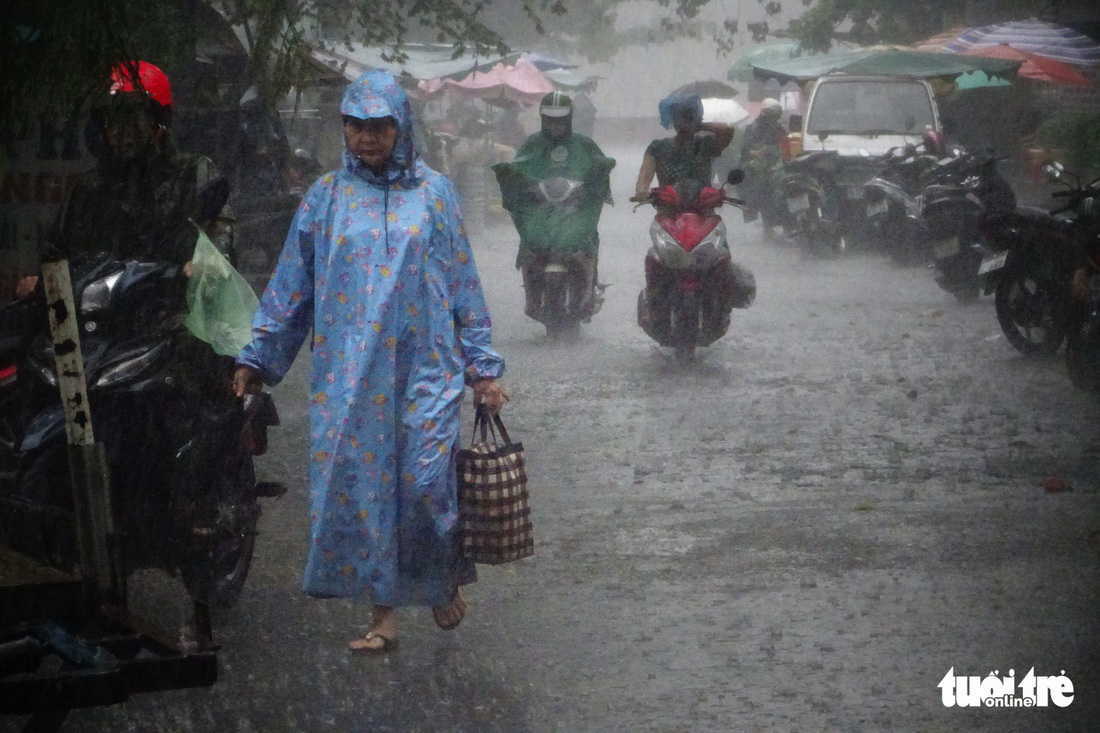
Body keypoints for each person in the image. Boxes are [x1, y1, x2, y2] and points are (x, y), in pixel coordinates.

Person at [231, 69, 509, 655]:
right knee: (365, 491)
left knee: (428, 484)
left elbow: (463, 281)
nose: (366, 138)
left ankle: (439, 579)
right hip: (350, 376)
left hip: (426, 370)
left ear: (400, 127)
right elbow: (292, 288)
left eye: (379, 127)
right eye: (355, 126)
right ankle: (382, 614)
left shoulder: (435, 194)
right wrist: (258, 357)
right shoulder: (325, 199)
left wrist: (483, 368)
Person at [15, 61, 232, 298]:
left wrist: (209, 261)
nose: (118, 131)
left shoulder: (192, 174)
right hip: (100, 322)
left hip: (173, 314)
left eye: (131, 119)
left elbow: (220, 228)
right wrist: (42, 289)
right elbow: (57, 255)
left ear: (156, 123)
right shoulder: (90, 189)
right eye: (110, 121)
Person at [493, 90, 615, 325]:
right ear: (542, 117)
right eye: (550, 118)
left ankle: (588, 289)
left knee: (587, 243)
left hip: (575, 214)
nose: (555, 124)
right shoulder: (532, 144)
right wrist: (523, 184)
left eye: (560, 118)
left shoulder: (584, 144)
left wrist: (588, 186)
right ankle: (532, 292)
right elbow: (520, 169)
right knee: (530, 247)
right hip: (542, 214)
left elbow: (597, 171)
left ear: (569, 118)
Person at [632, 93, 735, 201]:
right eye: (678, 118)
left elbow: (728, 131)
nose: (683, 124)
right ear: (672, 120)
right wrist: (642, 190)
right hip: (667, 210)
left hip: (703, 210)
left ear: (697, 120)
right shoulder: (657, 148)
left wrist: (701, 125)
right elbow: (644, 175)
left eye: (689, 118)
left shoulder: (706, 145)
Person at [739, 97, 788, 242]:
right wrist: (756, 153)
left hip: (778, 168)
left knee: (783, 194)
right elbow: (745, 150)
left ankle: (787, 226)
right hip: (759, 171)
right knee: (765, 196)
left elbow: (784, 147)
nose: (775, 116)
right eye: (773, 113)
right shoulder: (753, 128)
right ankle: (768, 228)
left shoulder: (778, 129)